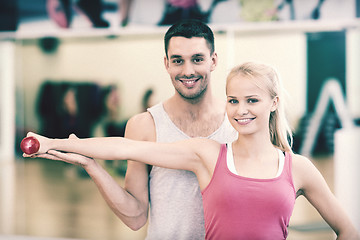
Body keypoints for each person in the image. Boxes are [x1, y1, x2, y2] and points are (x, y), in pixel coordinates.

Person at [24, 61, 360, 239]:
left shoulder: (297, 168)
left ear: (273, 103)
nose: (241, 110)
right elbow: (128, 147)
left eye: (252, 100)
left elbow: (348, 230)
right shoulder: (208, 154)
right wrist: (57, 143)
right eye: (233, 101)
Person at [30, 19, 238, 239]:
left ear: (213, 61)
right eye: (178, 61)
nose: (188, 71)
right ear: (166, 63)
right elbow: (136, 216)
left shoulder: (238, 122)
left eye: (197, 59)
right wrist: (91, 165)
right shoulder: (144, 126)